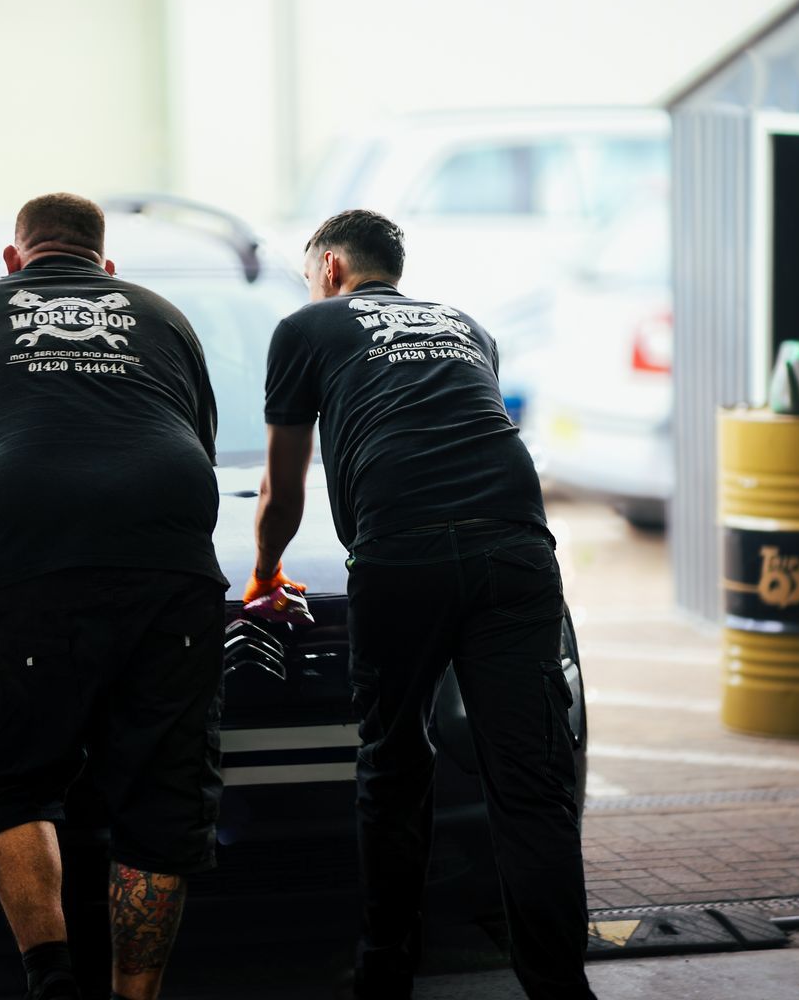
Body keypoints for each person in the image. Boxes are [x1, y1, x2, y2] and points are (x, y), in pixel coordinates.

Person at [250, 209, 596, 1000]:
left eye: (313, 275)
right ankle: (559, 989)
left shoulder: (307, 326)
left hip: (401, 554)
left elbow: (284, 485)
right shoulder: (465, 324)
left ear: (330, 270)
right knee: (530, 783)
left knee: (395, 766)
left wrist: (266, 570)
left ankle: (385, 974)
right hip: (516, 549)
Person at [0, 193, 227, 1000]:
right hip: (171, 563)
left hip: (25, 558)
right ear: (106, 267)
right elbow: (195, 448)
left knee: (7, 778)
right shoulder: (160, 314)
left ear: (13, 261)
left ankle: (52, 982)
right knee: (161, 799)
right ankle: (134, 997)